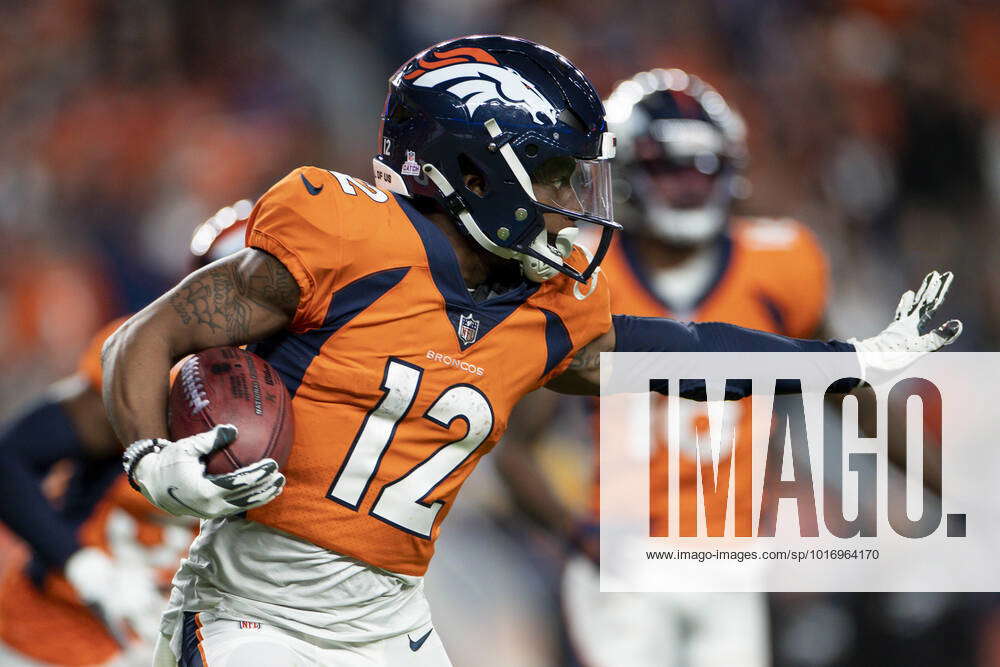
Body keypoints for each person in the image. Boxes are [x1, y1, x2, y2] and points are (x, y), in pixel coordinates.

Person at [100, 35, 961, 667]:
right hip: (258, 613)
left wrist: (840, 358)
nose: (571, 199)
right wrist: (147, 455)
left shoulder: (545, 306)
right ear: (472, 170)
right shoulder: (343, 234)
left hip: (391, 624)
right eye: (553, 174)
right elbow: (149, 335)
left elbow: (685, 352)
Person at [496, 68, 831, 666]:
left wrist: (954, 494)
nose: (685, 188)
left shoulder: (782, 265)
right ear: (627, 174)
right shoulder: (588, 276)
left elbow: (848, 381)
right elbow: (517, 446)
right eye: (666, 168)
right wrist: (583, 538)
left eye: (699, 169)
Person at [0, 206, 249, 666]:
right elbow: (9, 461)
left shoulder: (310, 393)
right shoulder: (146, 364)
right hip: (50, 636)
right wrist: (82, 566)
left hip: (168, 642)